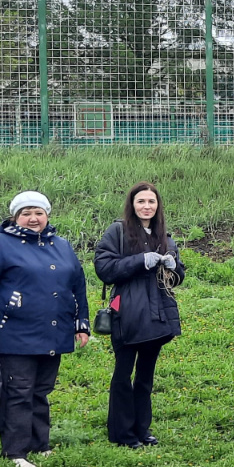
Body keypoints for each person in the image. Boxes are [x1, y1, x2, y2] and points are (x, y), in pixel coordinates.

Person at [0, 192, 90, 467]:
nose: (33, 218)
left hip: (54, 331)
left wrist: (81, 321)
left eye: (38, 213)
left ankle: (39, 443)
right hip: (15, 332)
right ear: (15, 217)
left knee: (41, 390)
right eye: (26, 213)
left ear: (47, 215)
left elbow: (78, 285)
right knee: (18, 391)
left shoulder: (62, 245)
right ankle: (15, 450)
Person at [95, 183, 185, 450]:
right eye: (141, 201)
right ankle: (122, 432)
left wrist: (174, 266)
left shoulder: (164, 237)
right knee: (123, 373)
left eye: (151, 201)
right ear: (132, 204)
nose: (147, 206)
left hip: (158, 314)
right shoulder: (118, 232)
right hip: (127, 313)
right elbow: (104, 268)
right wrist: (139, 261)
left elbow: (178, 277)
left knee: (146, 375)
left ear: (158, 206)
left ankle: (142, 428)